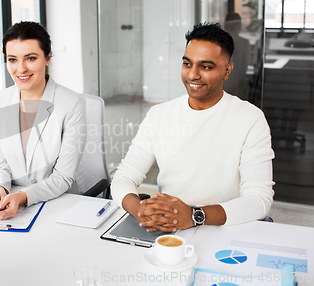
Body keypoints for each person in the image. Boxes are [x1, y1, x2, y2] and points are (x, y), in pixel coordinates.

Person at [111, 23, 275, 232]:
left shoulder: (250, 119)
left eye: (205, 67)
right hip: (171, 230)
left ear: (227, 71)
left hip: (225, 228)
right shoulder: (160, 115)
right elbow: (124, 176)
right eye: (187, 64)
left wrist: (195, 216)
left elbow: (259, 199)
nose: (192, 75)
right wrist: (140, 211)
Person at [0, 21, 86, 220]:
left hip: (57, 203)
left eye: (31, 58)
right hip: (9, 202)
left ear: (48, 58)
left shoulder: (71, 103)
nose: (21, 69)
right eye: (13, 59)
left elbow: (63, 177)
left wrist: (22, 197)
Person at [223, 12, 251, 100]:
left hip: (222, 84)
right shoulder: (244, 43)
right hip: (238, 84)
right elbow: (245, 65)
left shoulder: (219, 43)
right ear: (238, 25)